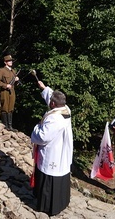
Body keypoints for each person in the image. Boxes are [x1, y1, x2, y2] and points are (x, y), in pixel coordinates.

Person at [31, 81, 73, 216]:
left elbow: (43, 137)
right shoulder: (65, 109)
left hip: (53, 153)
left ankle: (48, 207)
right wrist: (44, 88)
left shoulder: (55, 118)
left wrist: (36, 127)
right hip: (62, 152)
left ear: (53, 104)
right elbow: (52, 97)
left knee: (49, 180)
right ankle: (62, 202)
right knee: (60, 178)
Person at [0, 54, 19, 131]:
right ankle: (5, 126)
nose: (11, 62)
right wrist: (5, 85)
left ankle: (10, 126)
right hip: (5, 92)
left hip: (12, 91)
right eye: (9, 61)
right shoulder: (2, 70)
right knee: (5, 108)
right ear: (5, 62)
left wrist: (16, 80)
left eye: (11, 60)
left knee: (11, 108)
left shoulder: (13, 71)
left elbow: (15, 84)